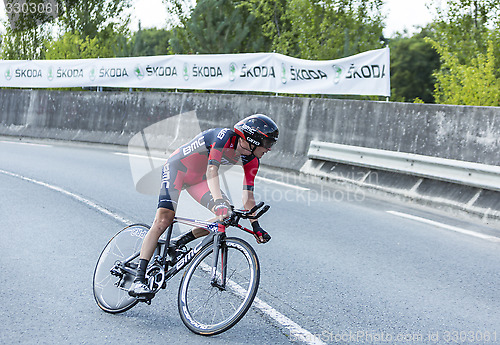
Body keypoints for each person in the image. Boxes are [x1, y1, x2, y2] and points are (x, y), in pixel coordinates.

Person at [129, 114, 279, 298]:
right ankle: (137, 280)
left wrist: (256, 227)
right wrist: (218, 200)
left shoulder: (252, 160)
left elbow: (247, 195)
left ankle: (180, 242)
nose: (269, 149)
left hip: (197, 181)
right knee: (164, 220)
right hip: (177, 169)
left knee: (226, 214)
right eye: (267, 143)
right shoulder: (224, 137)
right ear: (251, 138)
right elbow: (212, 170)